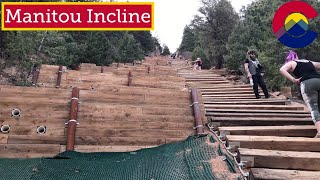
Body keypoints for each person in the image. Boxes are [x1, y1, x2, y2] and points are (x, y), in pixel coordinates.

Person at [280, 50, 320, 138]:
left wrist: (293, 80)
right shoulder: (308, 61)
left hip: (307, 83)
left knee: (314, 108)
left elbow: (282, 69)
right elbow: (319, 65)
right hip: (318, 80)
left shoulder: (291, 63)